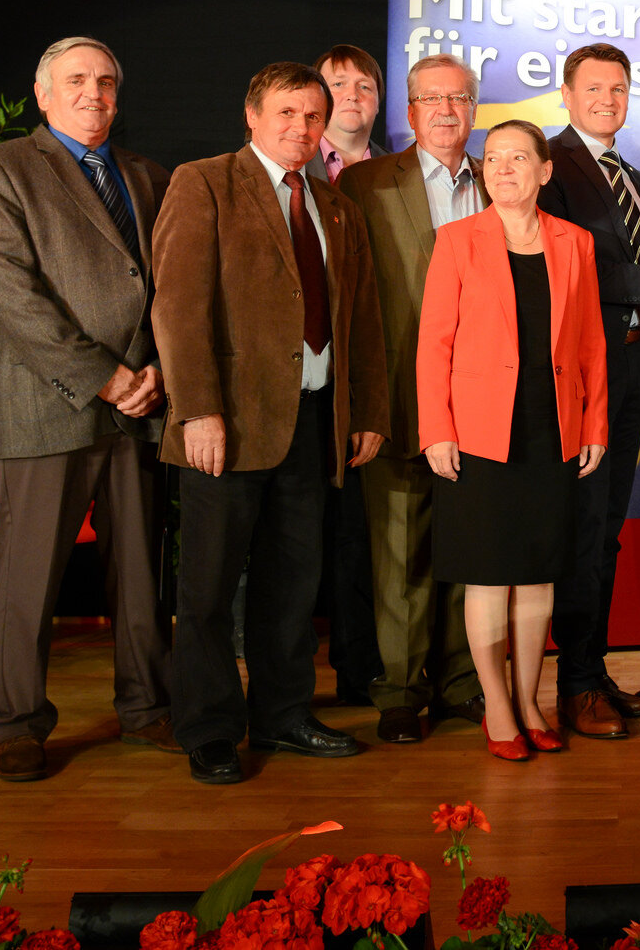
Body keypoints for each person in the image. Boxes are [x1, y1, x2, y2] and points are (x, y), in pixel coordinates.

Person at [150, 61, 390, 784]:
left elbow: (363, 318)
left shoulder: (334, 203)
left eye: (313, 117)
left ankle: (283, 713)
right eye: (286, 113)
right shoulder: (204, 181)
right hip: (225, 423)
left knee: (293, 581)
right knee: (210, 589)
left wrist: (367, 410)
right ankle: (211, 727)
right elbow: (178, 306)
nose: (302, 128)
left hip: (312, 421)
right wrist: (197, 410)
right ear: (251, 115)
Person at [0, 36, 177, 782]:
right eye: (78, 80)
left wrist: (152, 370)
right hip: (48, 402)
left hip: (141, 404)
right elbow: (14, 295)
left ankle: (146, 706)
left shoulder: (146, 175)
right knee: (28, 580)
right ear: (43, 93)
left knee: (139, 576)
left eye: (107, 81)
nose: (95, 92)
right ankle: (19, 724)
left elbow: (165, 286)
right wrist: (104, 376)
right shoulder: (3, 168)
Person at [416, 120, 608, 761]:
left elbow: (589, 344)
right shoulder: (456, 241)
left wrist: (596, 424)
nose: (503, 168)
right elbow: (433, 344)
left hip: (552, 427)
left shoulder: (574, 243)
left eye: (518, 158)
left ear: (543, 171)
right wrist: (437, 428)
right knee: (490, 575)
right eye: (493, 158)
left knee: (537, 576)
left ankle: (529, 699)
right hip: (477, 432)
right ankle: (497, 706)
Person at [337, 54, 489, 744]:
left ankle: (460, 682)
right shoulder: (366, 184)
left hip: (484, 404)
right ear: (409, 112)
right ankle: (400, 690)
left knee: (466, 544)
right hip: (398, 394)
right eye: (432, 99)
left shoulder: (499, 181)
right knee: (399, 550)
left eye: (459, 98)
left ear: (475, 108)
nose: (447, 111)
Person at [538, 44, 640, 739]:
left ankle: (594, 673)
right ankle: (572, 685)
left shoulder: (629, 173)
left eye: (619, 88)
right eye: (593, 87)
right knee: (581, 531)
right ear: (566, 94)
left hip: (629, 376)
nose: (608, 98)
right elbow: (559, 267)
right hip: (581, 378)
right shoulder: (550, 167)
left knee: (607, 533)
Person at [305, 43, 389, 707]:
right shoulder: (290, 171)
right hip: (300, 382)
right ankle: (286, 688)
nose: (353, 93)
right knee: (300, 535)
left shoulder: (394, 175)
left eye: (366, 83)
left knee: (362, 536)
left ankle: (359, 670)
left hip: (371, 375)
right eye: (339, 83)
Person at [307, 44, 392, 183]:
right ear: (317, 97)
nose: (352, 95)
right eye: (339, 84)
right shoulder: (293, 161)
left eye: (364, 87)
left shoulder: (398, 170)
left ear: (377, 103)